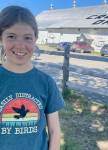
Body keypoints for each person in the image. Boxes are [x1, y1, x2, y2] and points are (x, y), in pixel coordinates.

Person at [0, 5, 64, 150]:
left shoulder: (46, 83)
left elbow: (54, 131)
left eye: (27, 38)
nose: (20, 45)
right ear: (1, 38)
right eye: (11, 36)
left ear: (35, 39)